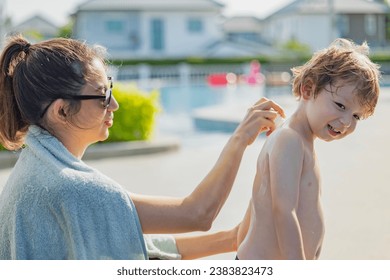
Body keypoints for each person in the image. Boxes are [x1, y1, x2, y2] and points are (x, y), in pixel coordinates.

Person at [0, 34, 285, 260]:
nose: (114, 104)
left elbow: (132, 234)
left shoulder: (36, 172)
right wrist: (240, 139)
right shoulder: (74, 189)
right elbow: (196, 214)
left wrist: (233, 238)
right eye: (102, 96)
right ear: (62, 111)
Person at [236, 38, 381, 260]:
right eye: (340, 106)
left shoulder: (300, 139)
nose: (345, 122)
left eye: (356, 116)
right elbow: (283, 213)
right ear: (308, 89)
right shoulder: (289, 139)